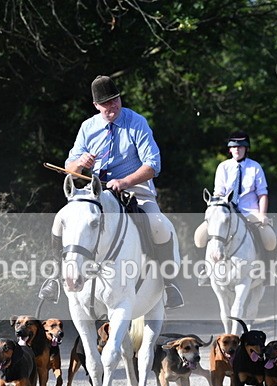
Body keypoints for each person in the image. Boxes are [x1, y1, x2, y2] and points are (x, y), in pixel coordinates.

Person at [40, 75, 184, 309]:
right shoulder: (88, 127)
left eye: (115, 100)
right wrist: (80, 164)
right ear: (96, 106)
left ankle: (169, 283)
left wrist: (125, 181)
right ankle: (56, 277)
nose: (112, 106)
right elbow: (70, 169)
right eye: (106, 103)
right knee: (62, 220)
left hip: (135, 188)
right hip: (96, 190)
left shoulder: (136, 122)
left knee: (159, 224)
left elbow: (153, 164)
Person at [195, 130, 277, 284]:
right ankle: (205, 269)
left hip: (249, 212)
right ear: (230, 149)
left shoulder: (255, 167)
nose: (237, 150)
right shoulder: (223, 167)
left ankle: (266, 270)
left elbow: (262, 194)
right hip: (227, 212)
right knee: (199, 235)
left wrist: (262, 214)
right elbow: (218, 192)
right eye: (234, 147)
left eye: (241, 147)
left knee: (269, 238)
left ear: (246, 149)